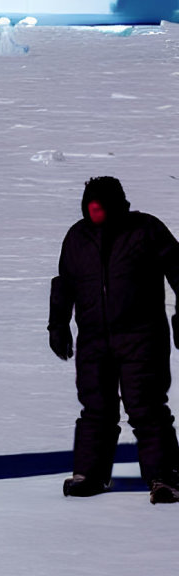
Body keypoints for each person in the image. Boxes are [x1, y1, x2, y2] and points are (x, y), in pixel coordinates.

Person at [48, 176, 179, 504]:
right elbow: (64, 283)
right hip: (93, 339)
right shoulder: (77, 237)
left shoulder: (145, 230)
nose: (95, 209)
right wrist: (58, 325)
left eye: (102, 204)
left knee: (146, 406)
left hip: (142, 337)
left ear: (118, 203)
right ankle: (90, 475)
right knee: (95, 407)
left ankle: (165, 477)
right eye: (90, 204)